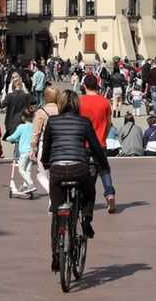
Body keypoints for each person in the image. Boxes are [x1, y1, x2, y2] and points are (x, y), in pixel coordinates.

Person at [40, 90, 111, 272]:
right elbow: (95, 147)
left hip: (57, 169)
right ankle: (86, 219)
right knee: (89, 190)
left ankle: (56, 255)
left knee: (57, 213)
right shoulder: (84, 122)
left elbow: (46, 147)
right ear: (77, 105)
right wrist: (104, 166)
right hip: (79, 168)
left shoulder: (52, 121)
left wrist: (46, 163)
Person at [79, 75, 118, 213]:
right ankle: (109, 194)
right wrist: (104, 135)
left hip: (84, 143)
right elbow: (108, 123)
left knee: (80, 171)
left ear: (84, 86)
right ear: (97, 85)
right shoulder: (105, 102)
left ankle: (80, 197)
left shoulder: (80, 101)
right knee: (104, 170)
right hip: (100, 142)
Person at [6, 107, 37, 194]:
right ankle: (26, 186)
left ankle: (31, 184)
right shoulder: (34, 126)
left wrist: (8, 139)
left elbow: (14, 137)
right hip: (33, 151)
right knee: (28, 170)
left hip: (24, 151)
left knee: (21, 169)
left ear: (23, 117)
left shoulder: (21, 127)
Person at [1, 74, 30, 138]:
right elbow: (34, 101)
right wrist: (26, 92)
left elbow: (2, 105)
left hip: (12, 118)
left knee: (14, 137)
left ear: (13, 87)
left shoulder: (10, 96)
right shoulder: (25, 95)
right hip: (23, 118)